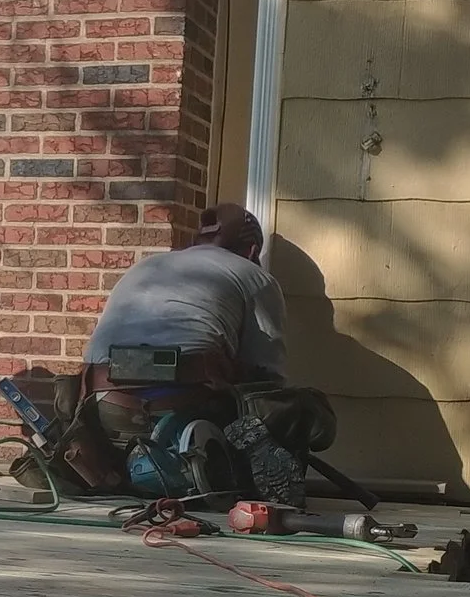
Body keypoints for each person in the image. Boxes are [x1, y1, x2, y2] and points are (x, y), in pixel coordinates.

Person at [79, 205, 330, 504]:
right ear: (251, 251)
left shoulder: (147, 266)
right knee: (292, 404)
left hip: (104, 413)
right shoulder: (254, 276)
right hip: (179, 412)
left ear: (197, 241)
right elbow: (268, 374)